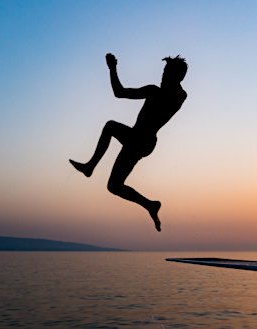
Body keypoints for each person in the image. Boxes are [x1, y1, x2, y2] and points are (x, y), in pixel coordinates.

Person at [69, 53, 188, 232]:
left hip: (140, 140)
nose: (162, 76)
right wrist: (113, 69)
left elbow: (122, 93)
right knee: (114, 186)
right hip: (141, 141)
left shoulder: (170, 94)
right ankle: (150, 205)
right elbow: (120, 93)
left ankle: (90, 167)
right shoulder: (165, 92)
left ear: (177, 77)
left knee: (110, 126)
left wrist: (112, 68)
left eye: (167, 73)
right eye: (163, 72)